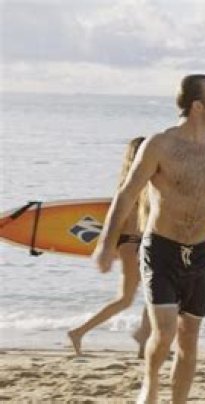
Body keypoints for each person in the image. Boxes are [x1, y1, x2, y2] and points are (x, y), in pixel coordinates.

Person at [92, 74, 205, 404]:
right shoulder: (159, 145)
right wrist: (105, 243)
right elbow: (126, 195)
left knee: (189, 336)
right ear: (198, 106)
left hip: (199, 253)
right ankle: (151, 383)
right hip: (161, 248)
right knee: (165, 331)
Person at [68, 136, 151, 357]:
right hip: (134, 245)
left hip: (134, 244)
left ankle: (143, 340)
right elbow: (117, 221)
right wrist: (106, 249)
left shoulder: (130, 184)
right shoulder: (137, 186)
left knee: (148, 295)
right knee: (135, 298)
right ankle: (79, 332)